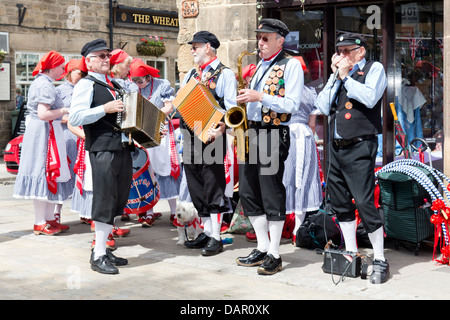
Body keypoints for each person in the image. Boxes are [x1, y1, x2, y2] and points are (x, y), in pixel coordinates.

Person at [314, 32, 389, 284]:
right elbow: (322, 106)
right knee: (340, 202)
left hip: (359, 145)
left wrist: (346, 76)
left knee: (365, 202)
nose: (342, 56)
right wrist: (336, 77)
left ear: (360, 52)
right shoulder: (339, 76)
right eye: (340, 51)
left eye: (347, 51)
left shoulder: (373, 68)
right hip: (335, 147)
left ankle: (379, 257)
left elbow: (370, 97)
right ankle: (350, 251)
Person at [235, 18, 303, 275]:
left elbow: (292, 105)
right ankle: (262, 246)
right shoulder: (258, 67)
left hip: (273, 133)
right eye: (259, 38)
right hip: (249, 131)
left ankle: (275, 252)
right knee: (248, 191)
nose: (260, 43)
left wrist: (260, 96)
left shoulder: (291, 65)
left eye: (265, 38)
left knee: (271, 191)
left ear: (280, 40)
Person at [69, 39, 132, 275]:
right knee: (105, 200)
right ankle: (97, 254)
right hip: (103, 148)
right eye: (101, 56)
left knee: (117, 200)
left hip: (122, 147)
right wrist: (103, 109)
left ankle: (105, 249)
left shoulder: (113, 84)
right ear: (89, 61)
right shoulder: (86, 84)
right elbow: (75, 118)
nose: (107, 59)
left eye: (107, 55)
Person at [179, 31, 237, 256]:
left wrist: (222, 126)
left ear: (209, 47)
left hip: (212, 135)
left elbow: (231, 107)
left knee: (213, 183)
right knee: (195, 183)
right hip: (190, 134)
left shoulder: (225, 74)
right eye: (192, 46)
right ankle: (206, 231)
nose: (192, 50)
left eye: (196, 46)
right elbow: (181, 101)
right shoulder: (191, 75)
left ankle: (216, 236)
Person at [13, 51, 72, 235]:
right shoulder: (44, 85)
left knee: (49, 174)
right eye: (62, 66)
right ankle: (40, 222)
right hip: (43, 132)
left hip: (47, 131)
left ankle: (47, 220)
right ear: (53, 67)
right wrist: (64, 110)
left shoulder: (44, 82)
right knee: (42, 171)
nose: (64, 70)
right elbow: (43, 114)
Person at [129, 59, 179, 227]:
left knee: (165, 171)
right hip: (142, 132)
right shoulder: (132, 88)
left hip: (160, 130)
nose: (137, 83)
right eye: (134, 80)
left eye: (140, 80)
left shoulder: (162, 85)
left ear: (148, 77)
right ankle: (149, 213)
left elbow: (169, 107)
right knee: (146, 171)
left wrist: (151, 115)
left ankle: (174, 213)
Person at [55, 59, 88, 226]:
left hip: (82, 136)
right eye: (78, 73)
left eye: (83, 73)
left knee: (83, 173)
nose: (82, 76)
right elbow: (52, 114)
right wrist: (69, 118)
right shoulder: (59, 91)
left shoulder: (86, 89)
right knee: (63, 174)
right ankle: (56, 213)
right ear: (69, 73)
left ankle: (84, 211)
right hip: (67, 136)